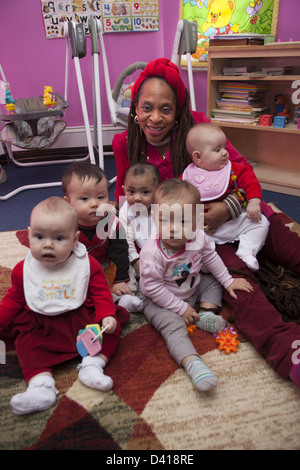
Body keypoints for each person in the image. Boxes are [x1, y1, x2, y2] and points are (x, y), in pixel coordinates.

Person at [112, 56, 300, 388]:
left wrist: (230, 206)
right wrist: (134, 252)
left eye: (166, 109)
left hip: (246, 216)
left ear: (179, 111)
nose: (155, 118)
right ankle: (288, 350)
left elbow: (242, 173)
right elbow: (126, 200)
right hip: (201, 238)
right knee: (239, 289)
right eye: (147, 107)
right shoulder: (125, 142)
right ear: (134, 108)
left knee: (289, 246)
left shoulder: (199, 128)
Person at [0, 197, 129, 415]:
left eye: (59, 238)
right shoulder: (24, 270)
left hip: (81, 320)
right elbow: (14, 299)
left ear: (75, 239)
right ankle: (40, 385)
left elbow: (100, 292)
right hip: (43, 325)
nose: (47, 244)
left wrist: (106, 314)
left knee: (111, 327)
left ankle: (94, 364)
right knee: (26, 342)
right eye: (39, 237)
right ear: (29, 233)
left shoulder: (87, 264)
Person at [139, 179, 253, 391]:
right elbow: (151, 288)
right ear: (155, 218)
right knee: (173, 327)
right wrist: (180, 308)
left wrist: (228, 281)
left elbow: (211, 259)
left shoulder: (198, 236)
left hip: (191, 285)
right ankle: (193, 362)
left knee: (213, 283)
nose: (172, 230)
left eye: (182, 222)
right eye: (165, 221)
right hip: (159, 300)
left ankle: (206, 314)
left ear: (197, 220)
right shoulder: (152, 253)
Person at [183, 122, 269, 271]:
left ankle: (247, 250)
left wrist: (254, 202)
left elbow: (251, 182)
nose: (224, 153)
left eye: (224, 147)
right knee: (192, 238)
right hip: (206, 230)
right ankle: (205, 262)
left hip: (234, 222)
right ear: (197, 157)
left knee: (261, 222)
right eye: (217, 150)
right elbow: (176, 195)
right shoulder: (187, 176)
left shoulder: (234, 169)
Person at [62, 162, 143, 313]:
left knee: (127, 276)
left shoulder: (111, 222)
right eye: (84, 199)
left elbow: (120, 252)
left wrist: (119, 280)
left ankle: (122, 300)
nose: (94, 203)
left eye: (100, 197)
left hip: (107, 263)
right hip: (77, 266)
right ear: (68, 203)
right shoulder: (65, 225)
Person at [119, 162, 160, 277]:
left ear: (157, 192)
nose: (137, 198)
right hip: (139, 253)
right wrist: (136, 262)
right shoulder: (125, 211)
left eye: (145, 192)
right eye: (131, 191)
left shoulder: (162, 207)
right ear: (124, 190)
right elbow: (127, 241)